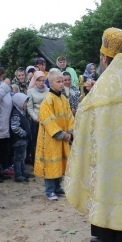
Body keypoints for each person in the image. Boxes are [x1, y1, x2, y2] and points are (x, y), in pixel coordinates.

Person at [65, 28, 122, 242]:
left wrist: (88, 95)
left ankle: (110, 235)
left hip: (108, 151)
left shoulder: (106, 83)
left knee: (108, 184)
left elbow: (86, 110)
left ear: (105, 57)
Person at [34, 70, 74, 200]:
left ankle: (58, 187)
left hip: (63, 137)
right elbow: (47, 120)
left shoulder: (63, 99)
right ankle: (50, 190)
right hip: (51, 139)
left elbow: (69, 116)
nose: (62, 84)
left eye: (62, 81)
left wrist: (70, 133)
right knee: (51, 163)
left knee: (60, 162)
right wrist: (61, 134)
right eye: (59, 81)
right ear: (51, 83)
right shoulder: (47, 100)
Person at [26, 71, 49, 165]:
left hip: (47, 119)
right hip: (35, 119)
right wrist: (36, 118)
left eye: (43, 81)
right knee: (35, 141)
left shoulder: (48, 91)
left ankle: (46, 159)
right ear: (35, 81)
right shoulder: (30, 91)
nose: (41, 83)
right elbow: (29, 107)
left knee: (46, 141)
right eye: (39, 80)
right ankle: (35, 160)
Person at [10, 93, 33, 182]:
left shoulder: (21, 112)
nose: (26, 104)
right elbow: (14, 127)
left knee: (22, 157)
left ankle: (23, 172)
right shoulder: (16, 113)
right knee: (18, 158)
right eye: (24, 102)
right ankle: (18, 175)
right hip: (19, 140)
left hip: (23, 140)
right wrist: (23, 133)